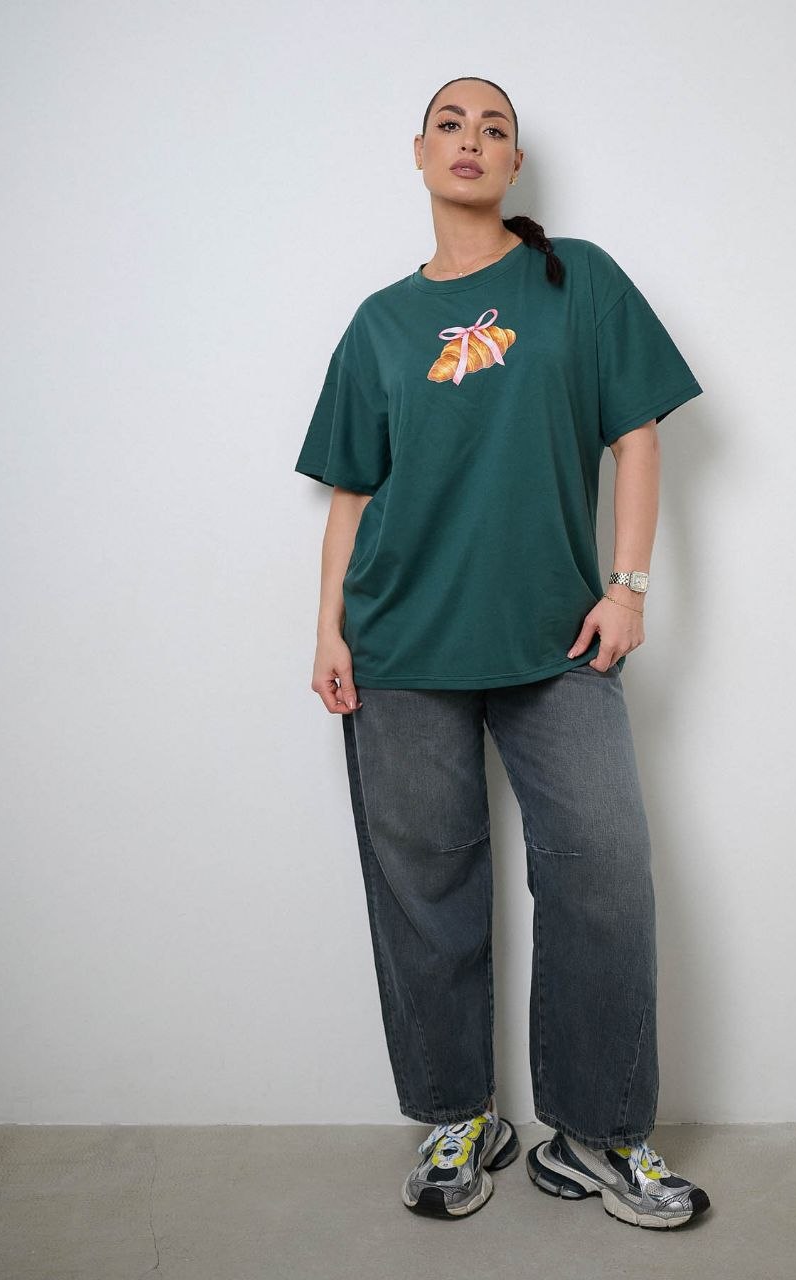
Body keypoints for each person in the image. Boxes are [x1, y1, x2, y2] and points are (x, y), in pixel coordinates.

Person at [294, 75, 711, 1231]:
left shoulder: (576, 279)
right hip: (399, 644)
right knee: (425, 892)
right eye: (450, 124)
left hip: (557, 639)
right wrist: (327, 625)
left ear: (515, 163)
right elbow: (352, 492)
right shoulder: (379, 322)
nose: (470, 140)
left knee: (602, 871)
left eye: (494, 128)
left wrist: (627, 586)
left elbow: (635, 434)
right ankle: (458, 1115)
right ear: (418, 152)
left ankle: (598, 1127)